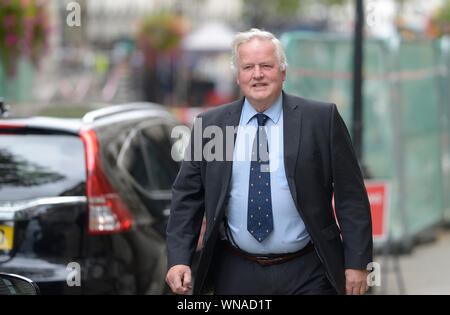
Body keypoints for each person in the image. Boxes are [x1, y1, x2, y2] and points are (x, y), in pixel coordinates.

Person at [165, 28, 373, 295]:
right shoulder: (212, 126)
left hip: (308, 269)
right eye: (248, 67)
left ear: (283, 72)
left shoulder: (320, 119)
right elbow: (187, 197)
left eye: (266, 65)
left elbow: (351, 196)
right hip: (236, 270)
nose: (258, 74)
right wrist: (179, 258)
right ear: (238, 75)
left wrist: (358, 262)